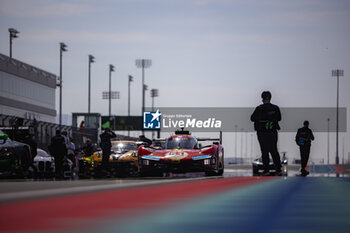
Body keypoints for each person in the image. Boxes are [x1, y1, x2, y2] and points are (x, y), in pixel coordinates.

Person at [251, 91, 282, 176]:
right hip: (272, 132)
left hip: (262, 133)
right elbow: (279, 118)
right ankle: (278, 169)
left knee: (264, 151)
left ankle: (266, 170)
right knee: (274, 150)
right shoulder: (275, 108)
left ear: (262, 98)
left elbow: (252, 118)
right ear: (270, 98)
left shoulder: (259, 108)